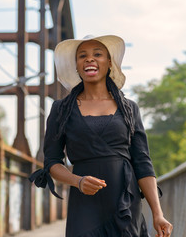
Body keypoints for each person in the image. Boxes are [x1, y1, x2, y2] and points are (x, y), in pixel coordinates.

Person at [29, 35, 173, 237]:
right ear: (77, 66)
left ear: (109, 63)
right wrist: (77, 181)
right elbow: (52, 162)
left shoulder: (129, 109)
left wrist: (158, 214)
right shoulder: (61, 109)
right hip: (84, 206)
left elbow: (143, 162)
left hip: (124, 202)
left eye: (97, 54)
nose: (89, 59)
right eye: (82, 56)